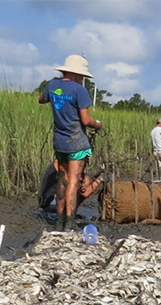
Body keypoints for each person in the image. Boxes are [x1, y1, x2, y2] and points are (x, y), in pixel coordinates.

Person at [39, 54, 102, 231]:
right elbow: (85, 120)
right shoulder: (79, 90)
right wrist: (97, 124)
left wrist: (56, 99)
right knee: (74, 180)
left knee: (62, 179)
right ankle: (70, 221)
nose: (82, 79)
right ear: (77, 74)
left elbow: (41, 99)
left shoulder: (52, 85)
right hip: (76, 142)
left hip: (59, 141)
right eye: (82, 76)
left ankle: (59, 221)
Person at [38, 160, 104, 211]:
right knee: (76, 191)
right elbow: (85, 193)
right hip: (48, 205)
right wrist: (99, 180)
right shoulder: (64, 168)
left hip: (48, 201)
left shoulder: (63, 164)